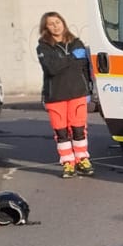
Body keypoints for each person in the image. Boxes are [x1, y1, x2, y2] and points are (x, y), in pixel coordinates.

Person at [36, 11, 95, 178]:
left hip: (77, 92)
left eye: (58, 22)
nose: (56, 26)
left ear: (63, 22)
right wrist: (70, 59)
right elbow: (51, 68)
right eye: (51, 23)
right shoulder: (43, 47)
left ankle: (82, 160)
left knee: (79, 130)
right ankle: (68, 163)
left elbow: (83, 66)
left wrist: (89, 90)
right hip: (56, 96)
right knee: (61, 132)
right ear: (45, 27)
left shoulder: (76, 42)